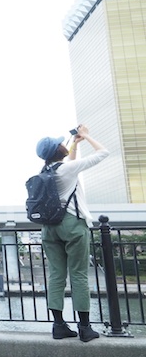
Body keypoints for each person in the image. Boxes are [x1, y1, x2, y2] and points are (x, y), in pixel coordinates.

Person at [35, 124, 109, 342]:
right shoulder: (66, 170)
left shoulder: (44, 172)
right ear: (58, 150)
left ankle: (59, 326)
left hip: (49, 228)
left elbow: (70, 165)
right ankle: (85, 328)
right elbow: (103, 153)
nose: (62, 143)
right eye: (61, 143)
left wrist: (75, 143)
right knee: (78, 274)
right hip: (72, 225)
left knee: (56, 276)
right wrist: (87, 135)